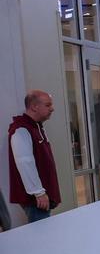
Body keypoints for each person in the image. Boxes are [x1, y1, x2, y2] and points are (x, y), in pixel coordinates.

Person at [7, 90, 60, 223]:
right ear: (34, 106)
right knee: (42, 235)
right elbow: (25, 163)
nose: (52, 109)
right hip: (35, 199)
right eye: (48, 105)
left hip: (41, 195)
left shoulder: (36, 127)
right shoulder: (21, 129)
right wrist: (39, 193)